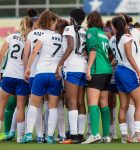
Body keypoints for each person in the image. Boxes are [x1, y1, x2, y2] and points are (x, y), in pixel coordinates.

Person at [22, 10, 62, 144]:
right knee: (53, 107)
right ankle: (50, 136)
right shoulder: (60, 37)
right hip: (56, 74)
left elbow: (34, 51)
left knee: (34, 105)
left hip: (41, 72)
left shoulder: (42, 36)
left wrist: (27, 68)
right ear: (52, 22)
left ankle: (28, 134)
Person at [110, 16, 140, 143]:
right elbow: (130, 57)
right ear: (125, 25)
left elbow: (115, 59)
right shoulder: (127, 37)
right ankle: (138, 134)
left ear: (115, 27)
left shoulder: (112, 39)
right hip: (128, 71)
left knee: (123, 106)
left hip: (118, 71)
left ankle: (124, 135)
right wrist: (139, 73)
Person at [55, 9, 87, 144]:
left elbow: (70, 47)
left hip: (72, 67)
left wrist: (59, 64)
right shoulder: (84, 31)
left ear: (72, 18)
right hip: (83, 67)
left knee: (71, 101)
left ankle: (73, 135)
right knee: (80, 101)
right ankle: (80, 134)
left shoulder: (68, 28)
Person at [0, 16, 32, 143]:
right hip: (22, 77)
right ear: (31, 26)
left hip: (8, 75)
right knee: (20, 108)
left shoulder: (11, 37)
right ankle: (20, 137)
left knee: (1, 106)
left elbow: (2, 53)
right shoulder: (30, 39)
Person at [82, 11, 112, 144]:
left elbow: (93, 49)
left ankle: (94, 134)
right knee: (104, 104)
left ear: (89, 20)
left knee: (92, 103)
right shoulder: (104, 34)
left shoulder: (91, 31)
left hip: (97, 70)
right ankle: (106, 135)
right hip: (107, 70)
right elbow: (109, 52)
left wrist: (88, 68)